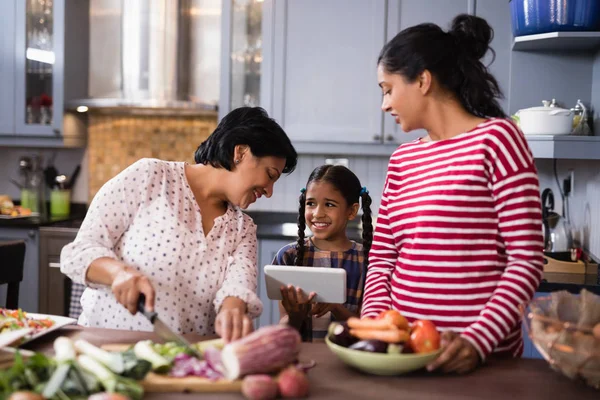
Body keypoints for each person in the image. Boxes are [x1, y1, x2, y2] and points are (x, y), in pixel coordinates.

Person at [361, 14, 544, 373]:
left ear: (423, 80)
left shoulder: (497, 140)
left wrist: (477, 341)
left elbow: (527, 259)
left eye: (388, 89)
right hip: (405, 356)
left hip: (482, 363)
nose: (384, 104)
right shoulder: (403, 159)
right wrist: (378, 328)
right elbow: (383, 258)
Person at [61, 107, 297, 343]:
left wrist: (232, 309)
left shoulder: (242, 228)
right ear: (241, 152)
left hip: (185, 360)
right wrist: (117, 273)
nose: (269, 191)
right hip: (108, 347)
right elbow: (80, 251)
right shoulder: (150, 176)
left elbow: (238, 286)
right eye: (270, 174)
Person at [273, 165, 373, 341]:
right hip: (302, 360)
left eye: (329, 205)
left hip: (350, 362)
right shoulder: (288, 256)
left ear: (351, 211)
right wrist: (296, 315)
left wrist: (335, 307)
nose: (317, 214)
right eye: (311, 203)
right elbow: (284, 328)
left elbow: (369, 331)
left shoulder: (368, 261)